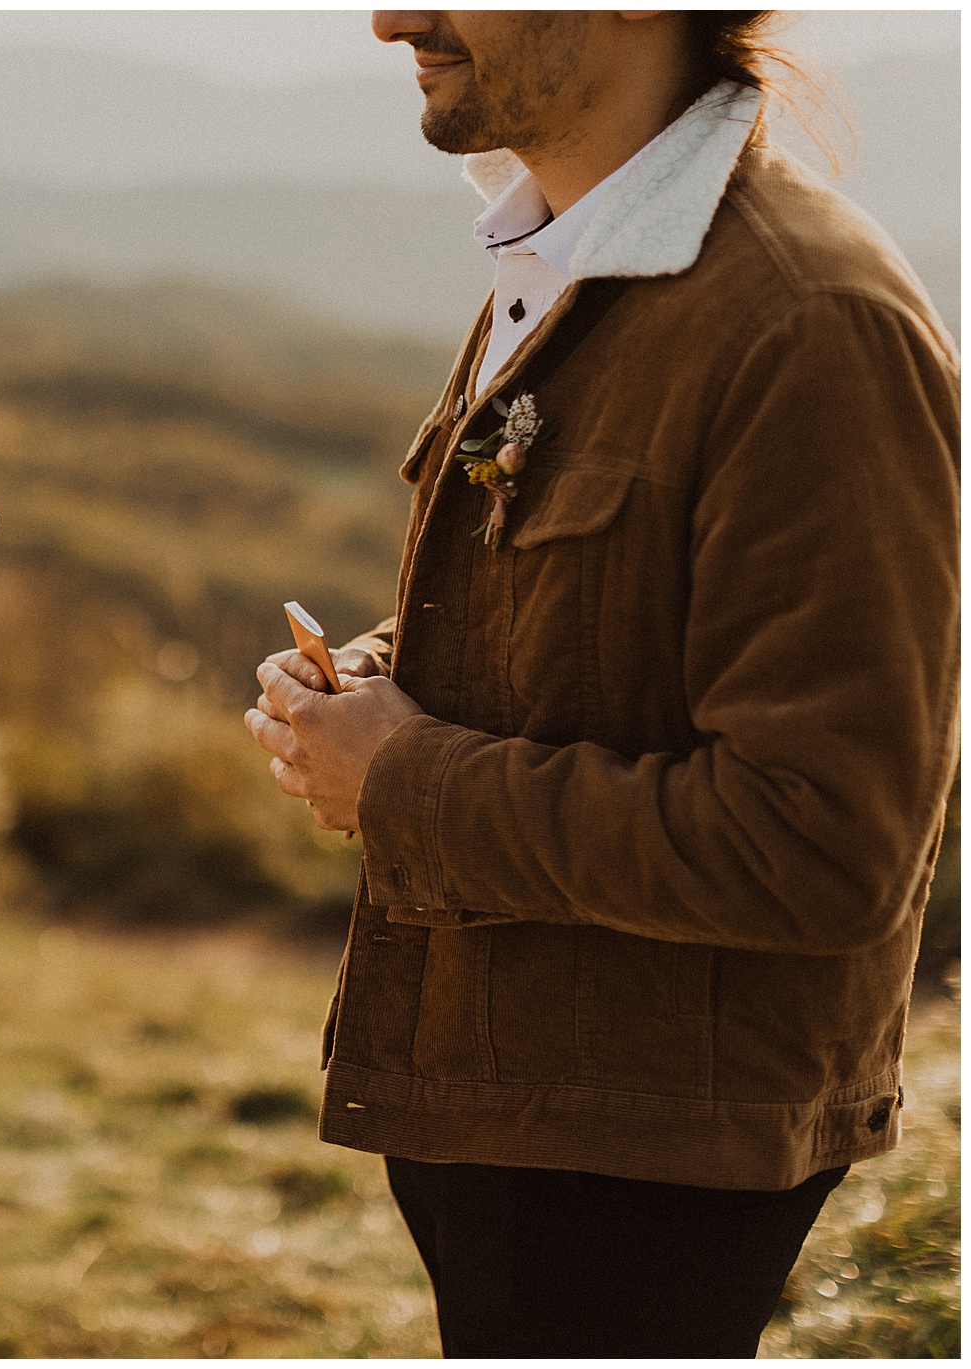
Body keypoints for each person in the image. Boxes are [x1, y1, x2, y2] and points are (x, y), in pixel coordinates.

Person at [244, 10, 958, 1358]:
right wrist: (372, 684)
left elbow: (825, 839)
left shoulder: (814, 325)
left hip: (643, 1163)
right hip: (526, 1114)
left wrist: (403, 777)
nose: (391, 14)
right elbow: (605, 626)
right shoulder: (574, 249)